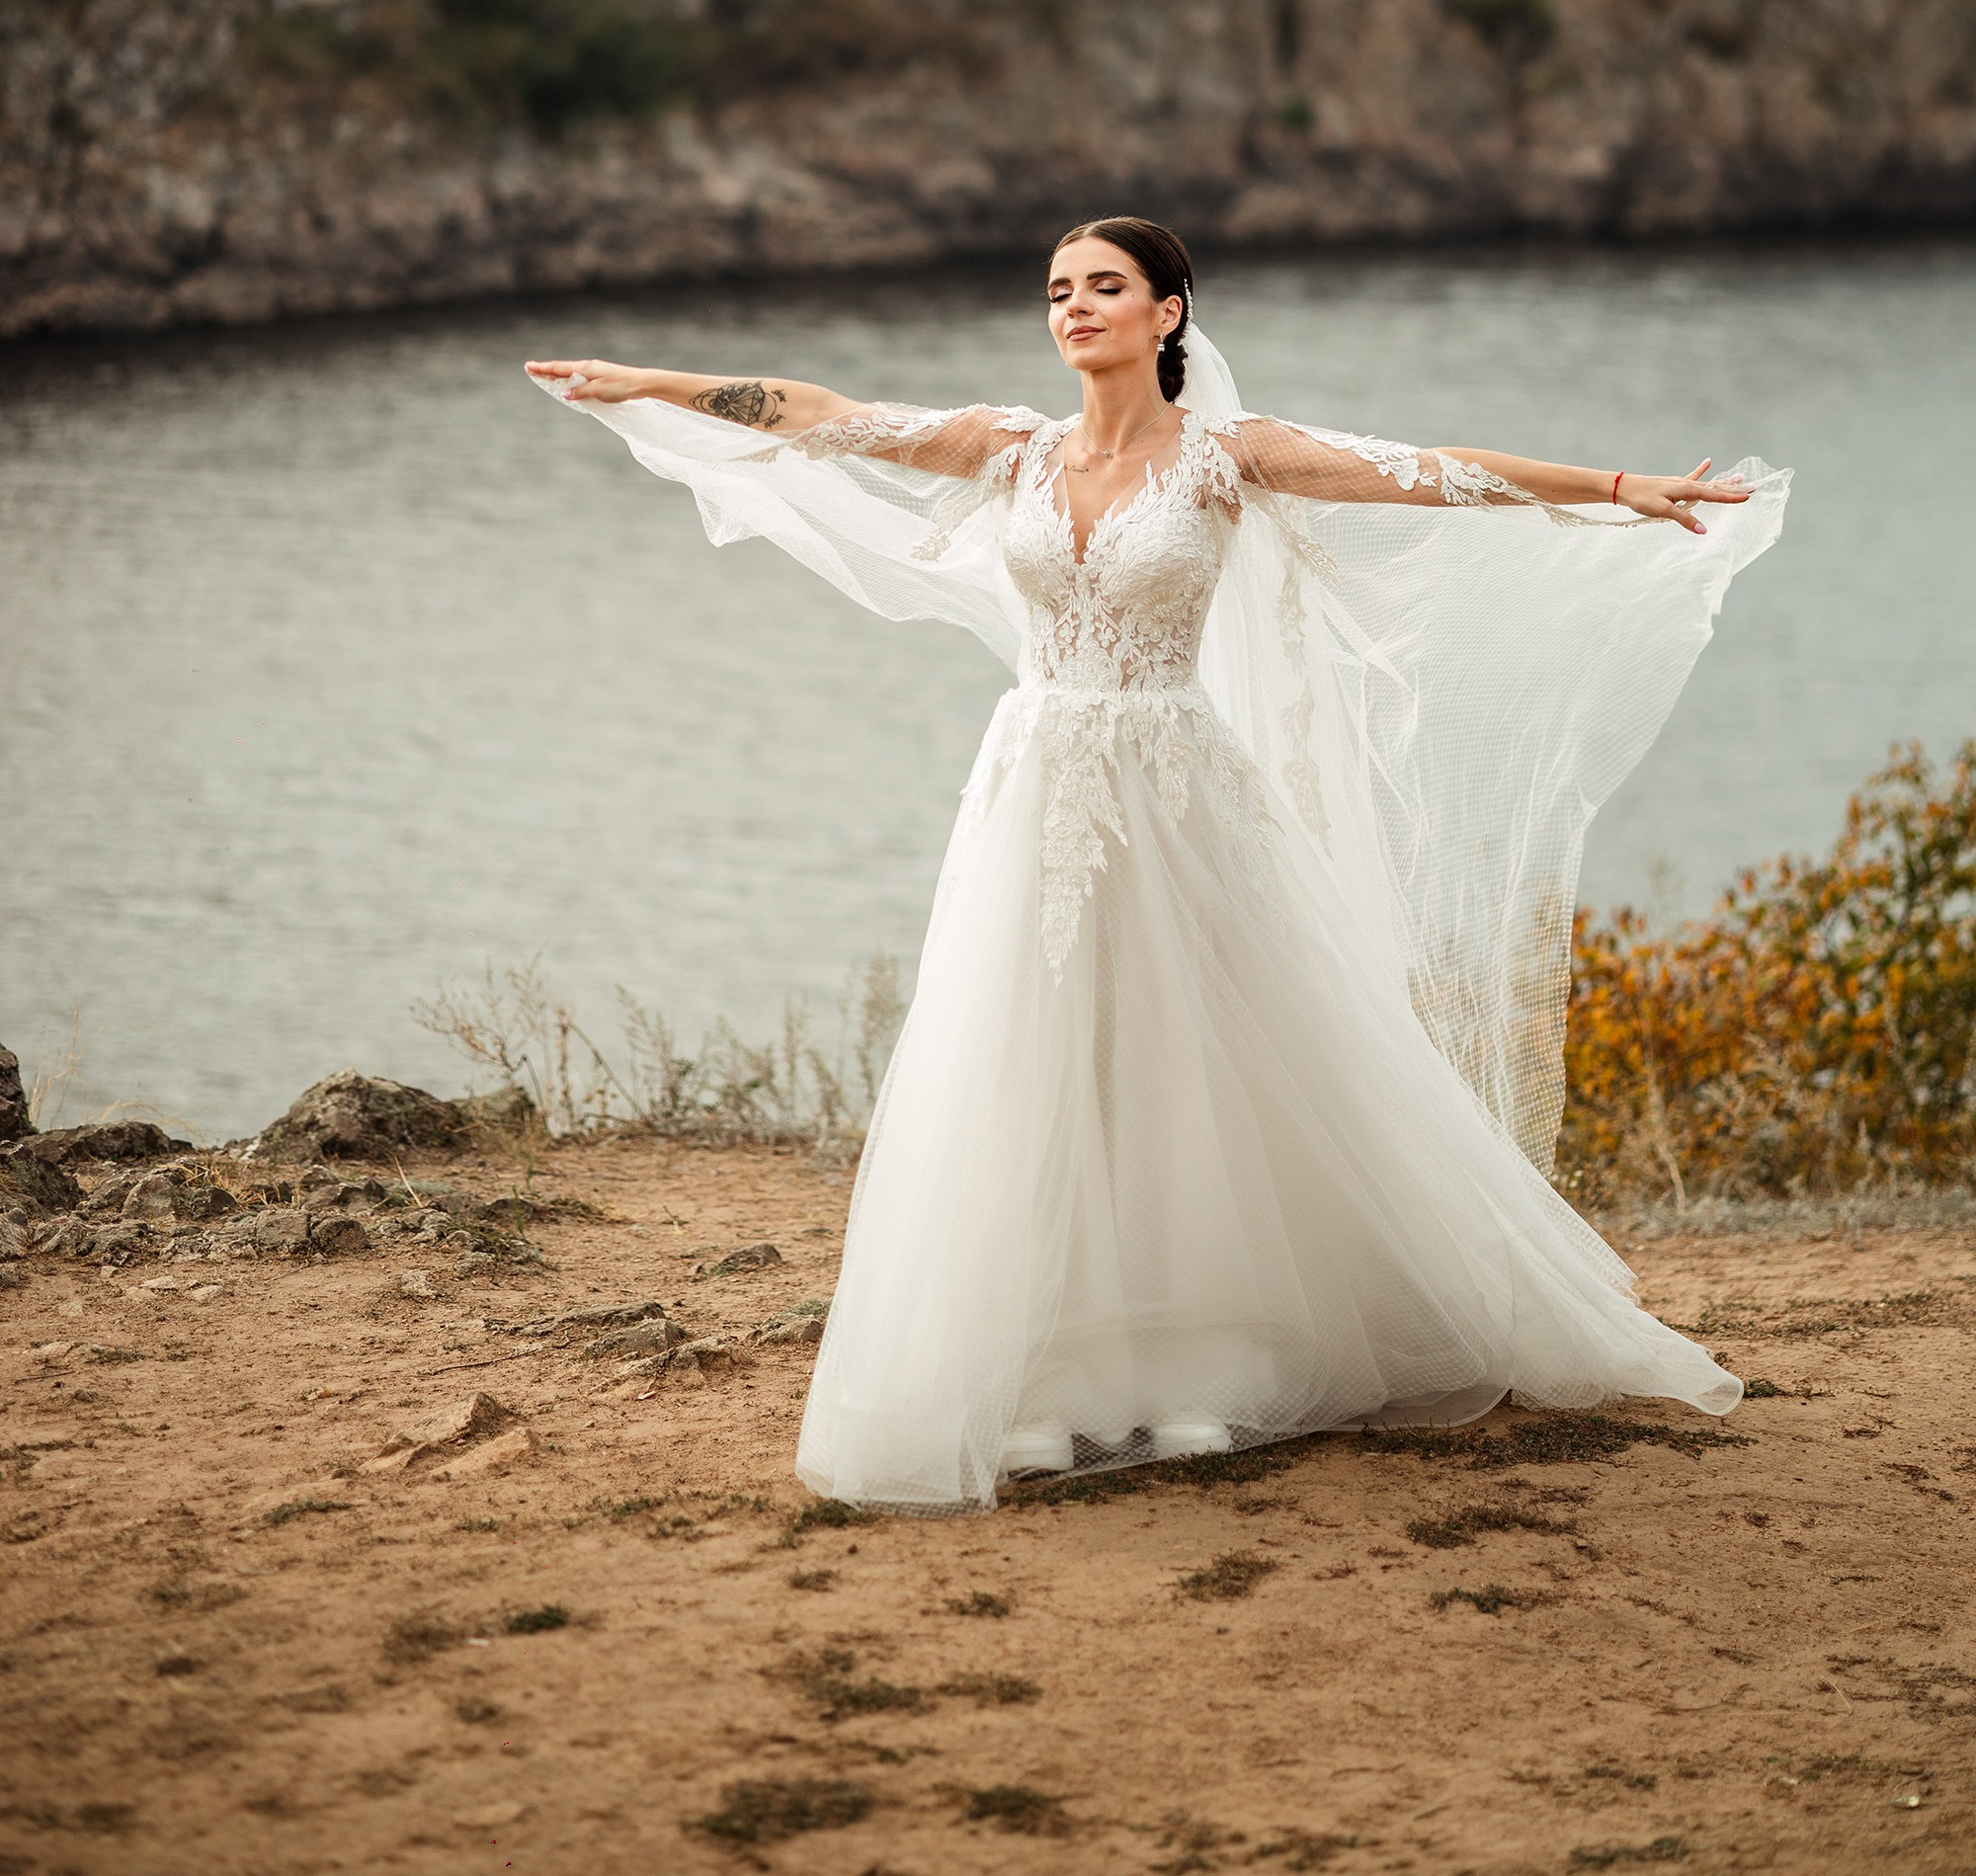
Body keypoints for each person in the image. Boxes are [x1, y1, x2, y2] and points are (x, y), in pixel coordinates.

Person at [528, 216, 1787, 1511]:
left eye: (1105, 287)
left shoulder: (1226, 461)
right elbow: (822, 413)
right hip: (1036, 790)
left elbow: (1426, 474)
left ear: (1167, 314)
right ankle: (1043, 1383)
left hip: (1179, 795)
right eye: (1060, 289)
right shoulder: (1007, 449)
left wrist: (1625, 490)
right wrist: (652, 384)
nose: (1074, 307)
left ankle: (1205, 1369)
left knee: (1193, 1065)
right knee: (1035, 1059)